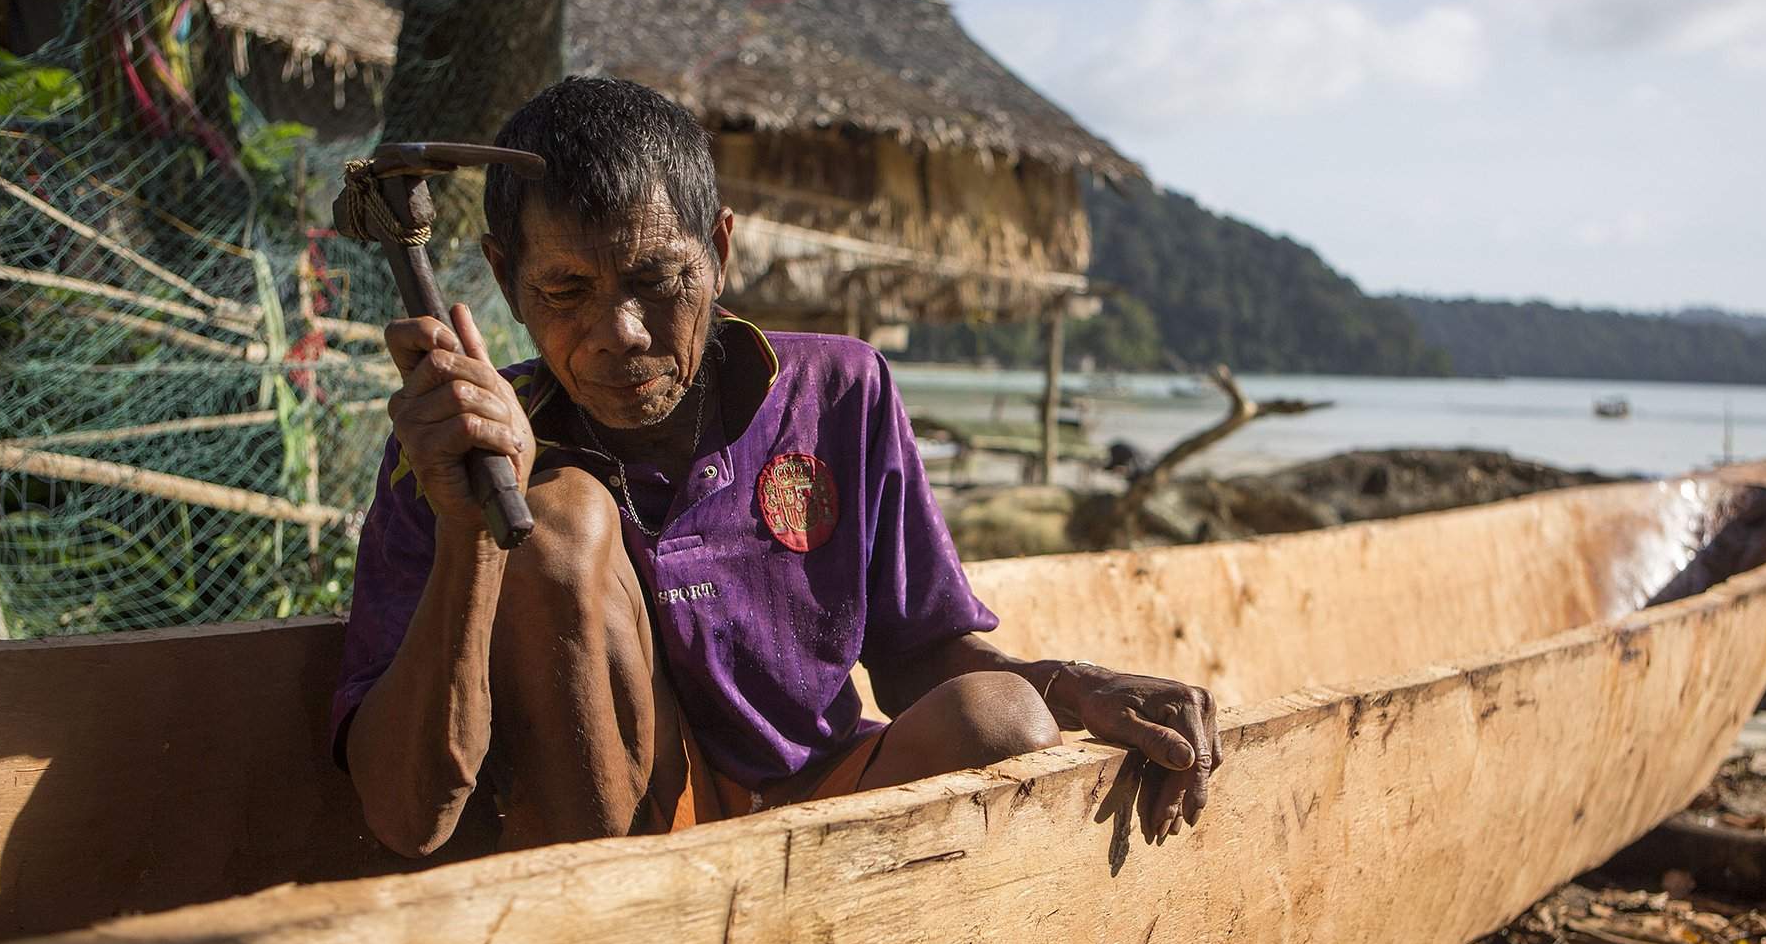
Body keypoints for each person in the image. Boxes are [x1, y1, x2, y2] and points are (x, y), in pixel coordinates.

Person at [332, 77, 1221, 857]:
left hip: (826, 812)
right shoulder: (457, 450)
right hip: (612, 843)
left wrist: (1075, 687)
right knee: (560, 517)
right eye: (566, 293)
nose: (622, 332)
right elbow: (408, 818)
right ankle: (627, 939)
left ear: (719, 250)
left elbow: (916, 656)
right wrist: (471, 531)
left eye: (657, 278)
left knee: (1005, 718)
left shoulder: (839, 390)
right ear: (506, 275)